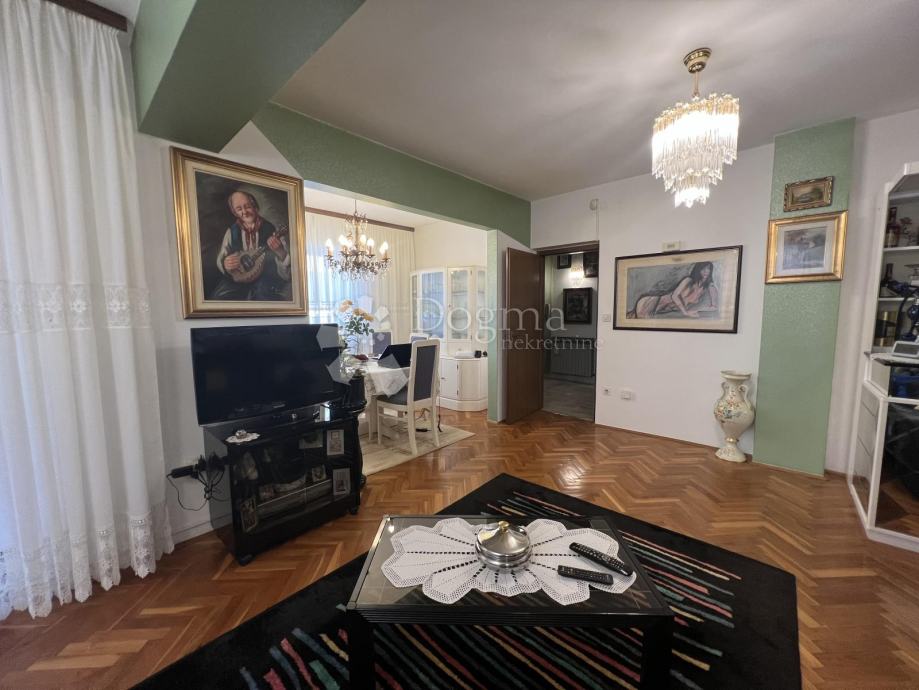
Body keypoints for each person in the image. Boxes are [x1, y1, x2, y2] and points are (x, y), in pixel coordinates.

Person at [211, 190, 291, 301]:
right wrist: (225, 263)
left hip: (264, 280)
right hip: (238, 279)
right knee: (220, 297)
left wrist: (280, 251)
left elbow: (287, 274)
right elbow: (222, 257)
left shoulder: (270, 229)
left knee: (263, 297)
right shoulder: (232, 232)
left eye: (248, 207)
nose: (244, 212)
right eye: (239, 209)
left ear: (255, 206)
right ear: (235, 212)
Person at [628, 261, 719, 319]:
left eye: (708, 269)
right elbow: (674, 296)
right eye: (703, 269)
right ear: (698, 270)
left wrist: (697, 310)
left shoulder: (709, 287)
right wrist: (685, 312)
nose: (706, 271)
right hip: (651, 302)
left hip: (661, 310)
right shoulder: (688, 280)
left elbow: (714, 307)